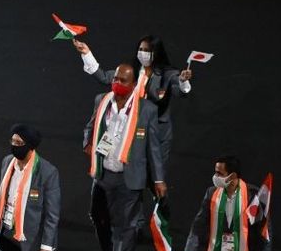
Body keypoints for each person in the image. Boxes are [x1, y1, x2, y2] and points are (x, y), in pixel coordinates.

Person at [82, 64, 166, 251]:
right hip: (102, 173)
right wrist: (88, 143)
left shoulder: (146, 110)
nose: (117, 83)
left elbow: (153, 149)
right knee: (97, 215)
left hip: (129, 178)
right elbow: (90, 127)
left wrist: (158, 179)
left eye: (123, 80)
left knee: (127, 225)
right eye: (115, 78)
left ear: (133, 85)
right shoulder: (102, 100)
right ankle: (107, 250)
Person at [73, 35, 192, 175]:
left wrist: (183, 81)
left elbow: (180, 92)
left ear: (156, 52)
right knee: (101, 160)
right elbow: (104, 77)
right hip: (122, 121)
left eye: (147, 50)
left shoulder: (168, 75)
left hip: (151, 128)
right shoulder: (130, 71)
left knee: (148, 173)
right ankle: (99, 175)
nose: (142, 53)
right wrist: (87, 54)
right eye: (140, 49)